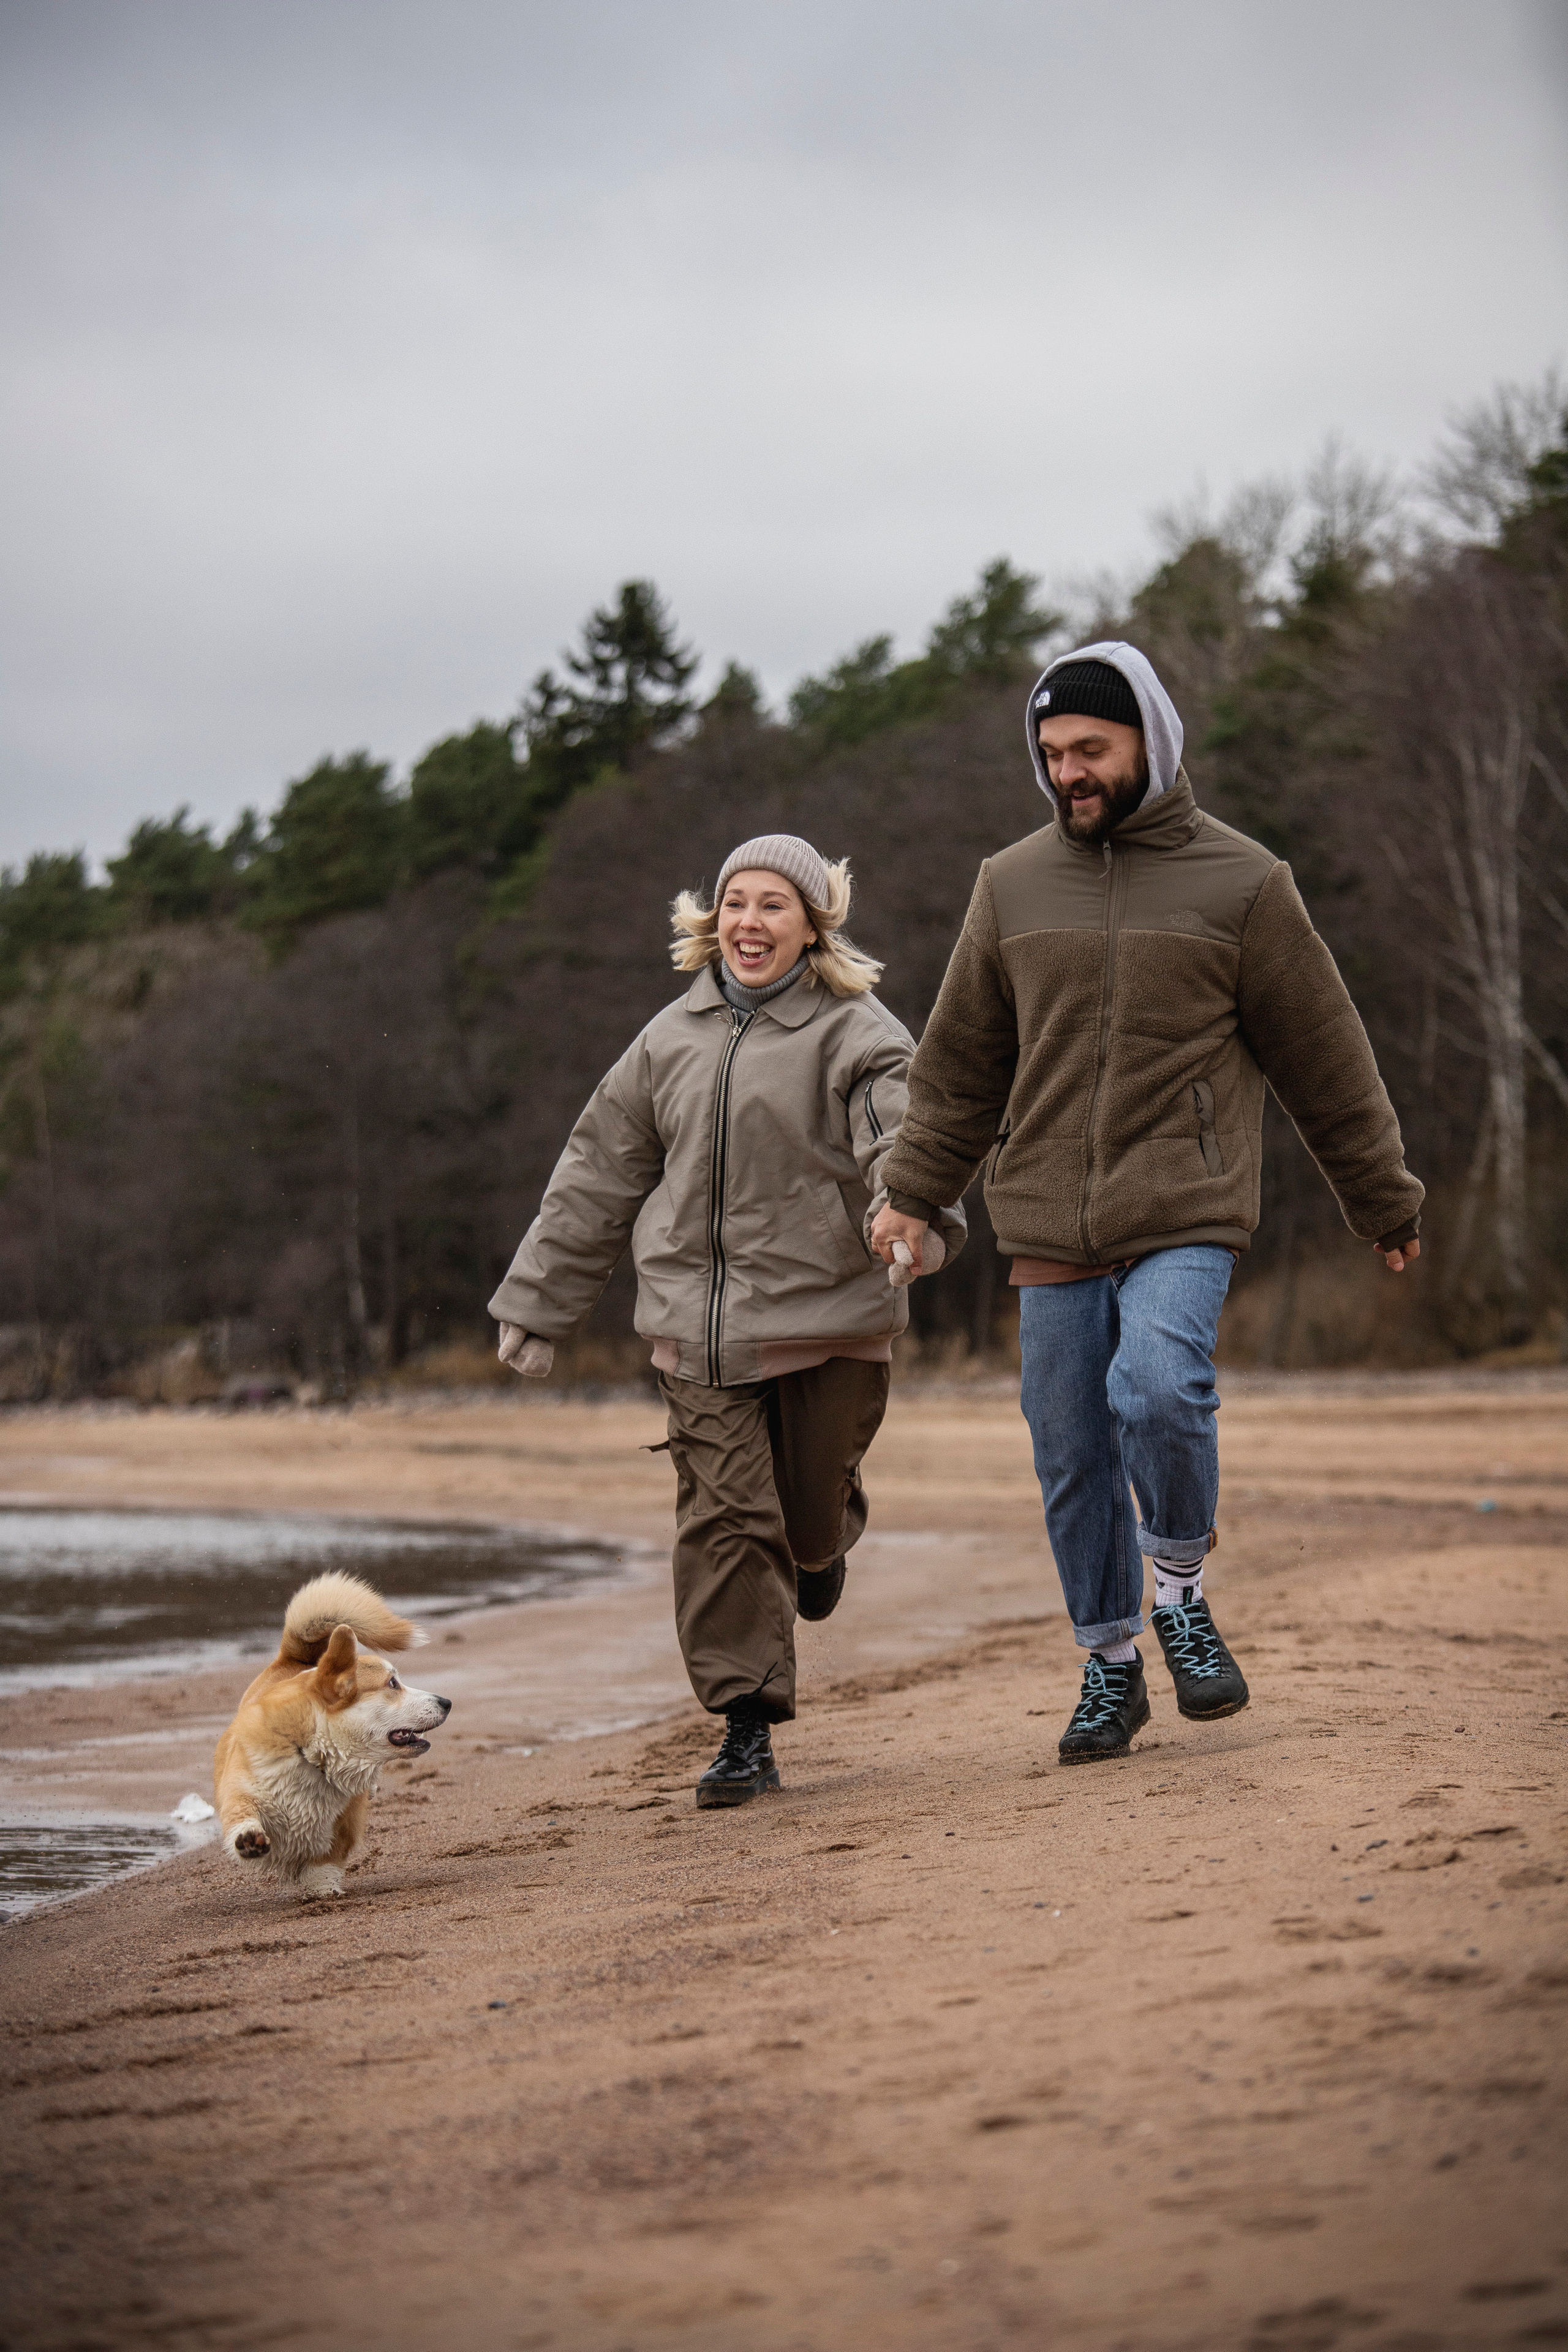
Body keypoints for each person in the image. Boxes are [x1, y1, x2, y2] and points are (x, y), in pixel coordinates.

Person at [871, 643, 1423, 1765]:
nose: (1068, 771)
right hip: (1048, 1216)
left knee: (1160, 1387)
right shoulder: (1010, 884)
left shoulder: (1245, 882)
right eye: (1052, 753)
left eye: (1091, 749)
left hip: (1185, 1202)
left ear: (1149, 745)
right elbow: (962, 1065)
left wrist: (1381, 1196)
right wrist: (913, 1194)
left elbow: (1325, 1054)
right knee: (1070, 1450)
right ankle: (1111, 1668)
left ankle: (1178, 1589)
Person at [489, 834, 964, 1807]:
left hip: (829, 1317)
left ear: (810, 925)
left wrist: (906, 1211)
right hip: (696, 1332)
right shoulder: (668, 1039)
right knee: (723, 1522)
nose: (750, 922)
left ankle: (824, 1541)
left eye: (772, 906)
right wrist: (538, 1305)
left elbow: (905, 1135)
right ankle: (745, 1726)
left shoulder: (859, 1031)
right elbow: (596, 1173)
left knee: (801, 1514)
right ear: (712, 921)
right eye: (735, 904)